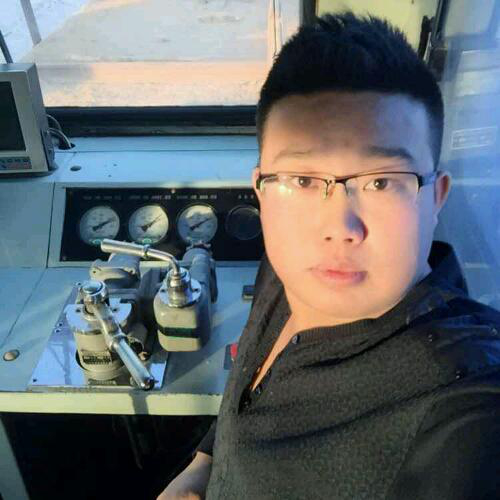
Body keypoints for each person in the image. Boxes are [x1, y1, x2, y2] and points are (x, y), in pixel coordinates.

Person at [158, 12, 500, 500]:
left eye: (381, 182)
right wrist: (202, 466)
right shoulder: (287, 266)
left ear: (437, 197)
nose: (338, 228)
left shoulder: (464, 407)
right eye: (302, 180)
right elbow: (248, 390)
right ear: (262, 193)